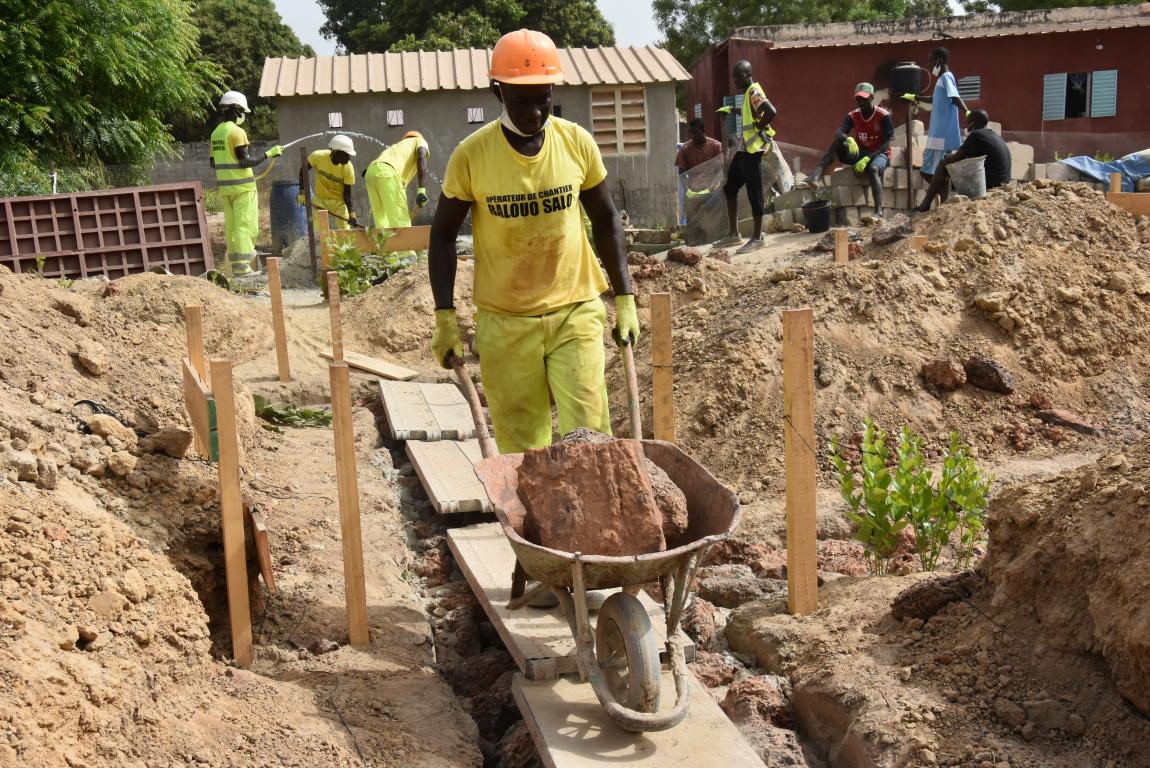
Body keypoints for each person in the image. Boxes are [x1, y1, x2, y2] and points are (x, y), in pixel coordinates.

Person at [427, 29, 637, 454]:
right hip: (506, 323)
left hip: (574, 311)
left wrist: (625, 296)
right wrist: (445, 315)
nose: (535, 110)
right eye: (521, 99)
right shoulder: (472, 156)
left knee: (590, 439)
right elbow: (443, 235)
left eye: (543, 97)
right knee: (524, 449)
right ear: (496, 91)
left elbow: (605, 218)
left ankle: (593, 520)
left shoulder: (576, 143)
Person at [209, 91, 282, 276]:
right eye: (242, 111)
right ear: (236, 109)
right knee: (246, 226)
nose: (243, 116)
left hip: (226, 190)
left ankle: (236, 265)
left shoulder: (215, 133)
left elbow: (213, 162)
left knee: (232, 227)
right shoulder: (237, 132)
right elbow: (244, 161)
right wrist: (268, 154)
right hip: (243, 189)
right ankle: (243, 268)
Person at [714, 60, 778, 254]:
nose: (734, 80)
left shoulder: (754, 91)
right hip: (744, 150)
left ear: (747, 74)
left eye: (737, 76)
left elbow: (771, 111)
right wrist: (731, 110)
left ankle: (758, 238)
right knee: (730, 187)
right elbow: (750, 112)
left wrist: (760, 126)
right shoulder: (748, 94)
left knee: (754, 193)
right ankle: (734, 233)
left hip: (753, 151)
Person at [804, 82, 894, 218]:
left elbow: (886, 144)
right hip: (861, 152)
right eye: (858, 99)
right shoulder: (853, 115)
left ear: (872, 97)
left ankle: (878, 212)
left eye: (864, 98)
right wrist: (848, 138)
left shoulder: (883, 115)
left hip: (879, 154)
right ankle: (815, 176)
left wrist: (868, 158)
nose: (861, 102)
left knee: (873, 170)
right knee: (838, 143)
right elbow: (839, 132)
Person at [902, 47, 969, 204]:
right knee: (931, 172)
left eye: (931, 61)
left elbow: (955, 97)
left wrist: (967, 112)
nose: (929, 64)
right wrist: (914, 97)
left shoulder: (946, 77)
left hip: (942, 137)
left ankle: (945, 199)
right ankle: (945, 199)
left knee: (929, 172)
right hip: (936, 136)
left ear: (939, 61)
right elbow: (934, 99)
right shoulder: (941, 80)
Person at [915, 109, 1011, 212]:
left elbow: (955, 158)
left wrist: (945, 155)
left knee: (943, 164)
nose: (966, 125)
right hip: (1003, 183)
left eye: (968, 121)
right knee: (948, 170)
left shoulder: (976, 135)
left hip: (990, 183)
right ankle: (943, 204)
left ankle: (926, 204)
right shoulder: (992, 135)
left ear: (974, 122)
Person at [365, 130, 430, 230]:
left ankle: (384, 244)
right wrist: (421, 190)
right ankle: (405, 245)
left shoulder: (396, 146)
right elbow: (421, 155)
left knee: (382, 223)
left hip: (370, 172)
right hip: (387, 174)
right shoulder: (419, 140)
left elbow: (380, 163)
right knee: (400, 222)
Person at [299, 135, 357, 229]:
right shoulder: (318, 156)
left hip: (339, 203)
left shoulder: (348, 168)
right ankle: (320, 243)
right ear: (336, 152)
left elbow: (347, 193)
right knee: (319, 233)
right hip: (320, 200)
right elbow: (303, 170)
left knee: (346, 233)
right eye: (346, 155)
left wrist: (351, 213)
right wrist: (302, 191)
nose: (348, 158)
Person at [676, 118, 723, 225]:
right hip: (694, 191)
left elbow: (721, 169)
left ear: (703, 131)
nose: (692, 136)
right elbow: (682, 174)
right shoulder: (685, 149)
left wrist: (714, 186)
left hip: (712, 189)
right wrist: (688, 188)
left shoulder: (716, 147)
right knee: (692, 219)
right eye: (691, 133)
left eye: (695, 133)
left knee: (712, 219)